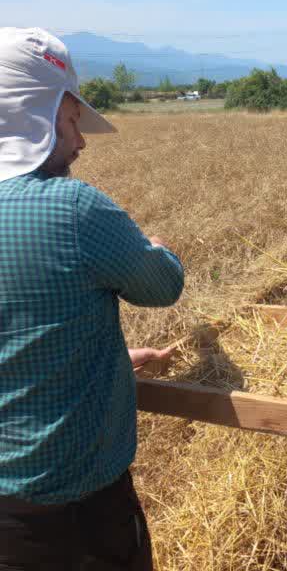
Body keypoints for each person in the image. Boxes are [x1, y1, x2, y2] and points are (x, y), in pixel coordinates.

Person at [0, 28, 185, 570]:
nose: (80, 141)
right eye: (74, 119)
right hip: (76, 516)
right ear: (41, 112)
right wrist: (158, 249)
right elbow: (162, 286)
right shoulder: (72, 210)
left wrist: (101, 361)